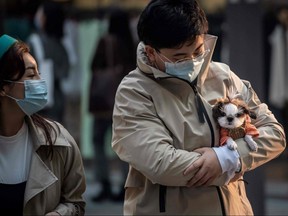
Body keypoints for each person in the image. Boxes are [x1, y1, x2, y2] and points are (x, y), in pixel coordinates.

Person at [111, 0, 286, 215]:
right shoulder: (134, 91)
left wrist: (228, 158)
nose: (192, 61)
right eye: (179, 57)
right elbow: (162, 164)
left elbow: (274, 134)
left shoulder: (223, 77)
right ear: (151, 52)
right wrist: (226, 161)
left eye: (198, 51)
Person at [0, 34, 86, 215]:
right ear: (3, 88)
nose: (40, 81)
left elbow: (76, 203)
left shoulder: (58, 140)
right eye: (31, 75)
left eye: (39, 72)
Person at [89, 7, 136, 202]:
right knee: (124, 145)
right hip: (124, 103)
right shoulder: (132, 45)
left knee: (98, 141)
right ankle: (125, 185)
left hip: (103, 104)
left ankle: (105, 183)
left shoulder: (105, 41)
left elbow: (93, 65)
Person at [27, 1, 69, 124]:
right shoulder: (62, 45)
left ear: (45, 19)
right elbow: (65, 73)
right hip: (58, 101)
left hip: (38, 102)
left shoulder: (34, 42)